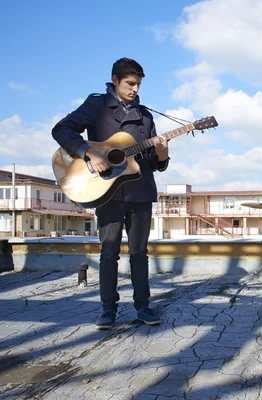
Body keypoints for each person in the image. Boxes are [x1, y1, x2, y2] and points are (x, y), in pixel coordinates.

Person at [52, 58, 169, 330]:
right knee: (109, 253)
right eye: (130, 83)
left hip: (140, 192)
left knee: (140, 253)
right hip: (106, 192)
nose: (135, 89)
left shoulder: (146, 116)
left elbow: (151, 162)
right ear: (115, 80)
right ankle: (108, 310)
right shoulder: (97, 105)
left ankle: (143, 306)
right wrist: (89, 152)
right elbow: (61, 129)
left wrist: (162, 154)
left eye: (138, 84)